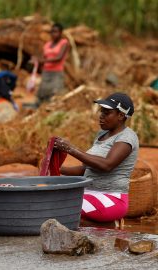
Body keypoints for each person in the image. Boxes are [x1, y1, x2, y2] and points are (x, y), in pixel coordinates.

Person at [54, 92, 139, 222]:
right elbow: (85, 169)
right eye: (101, 112)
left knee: (59, 205)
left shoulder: (127, 137)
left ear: (121, 116)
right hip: (89, 194)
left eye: (107, 112)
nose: (101, 116)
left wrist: (70, 149)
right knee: (49, 198)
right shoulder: (102, 134)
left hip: (111, 198)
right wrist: (57, 169)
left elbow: (107, 165)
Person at [36, 23, 69, 105]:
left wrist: (43, 61)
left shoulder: (64, 43)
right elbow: (43, 57)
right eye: (52, 32)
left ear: (60, 33)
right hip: (46, 72)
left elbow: (59, 58)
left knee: (56, 95)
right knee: (43, 95)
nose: (53, 34)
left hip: (56, 73)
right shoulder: (47, 45)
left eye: (56, 32)